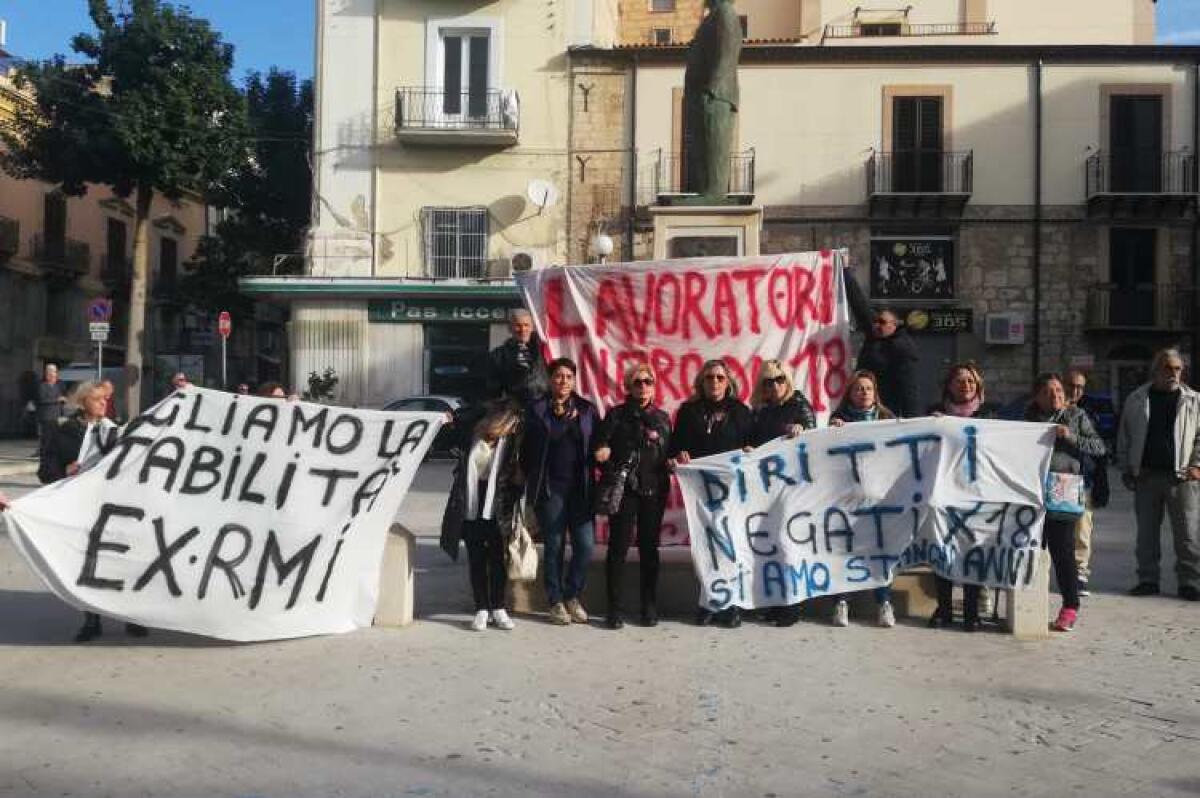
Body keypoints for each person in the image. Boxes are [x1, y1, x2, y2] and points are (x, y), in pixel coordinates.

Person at [39, 381, 149, 643]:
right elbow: (45, 472)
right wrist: (63, 471)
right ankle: (91, 619)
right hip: (80, 509)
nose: (103, 403)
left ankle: (130, 617)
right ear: (82, 403)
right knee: (86, 563)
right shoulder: (62, 431)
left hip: (116, 506)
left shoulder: (116, 431)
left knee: (121, 562)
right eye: (96, 399)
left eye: (104, 399)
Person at [670, 358, 753, 627]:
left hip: (731, 489)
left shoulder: (741, 411)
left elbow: (754, 444)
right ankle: (708, 602)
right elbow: (676, 446)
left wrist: (751, 452)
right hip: (700, 488)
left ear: (728, 382)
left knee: (730, 545)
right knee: (705, 545)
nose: (714, 382)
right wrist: (679, 454)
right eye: (709, 378)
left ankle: (730, 604)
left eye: (719, 377)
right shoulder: (688, 411)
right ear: (701, 383)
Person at [1117, 349, 1200, 601]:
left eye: (1177, 368)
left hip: (1182, 478)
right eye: (1168, 368)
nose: (1173, 373)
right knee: (1146, 535)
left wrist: (1197, 465)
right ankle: (1147, 579)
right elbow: (1125, 436)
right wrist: (1126, 467)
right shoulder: (1137, 399)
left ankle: (1190, 582)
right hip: (1147, 476)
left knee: (1188, 534)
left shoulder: (1193, 400)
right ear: (1156, 371)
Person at [593, 363, 672, 629]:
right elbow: (599, 445)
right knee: (618, 548)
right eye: (637, 382)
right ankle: (614, 609)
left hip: (654, 489)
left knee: (650, 550)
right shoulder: (616, 415)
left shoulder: (663, 417)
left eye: (648, 381)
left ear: (654, 385)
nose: (643, 386)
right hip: (624, 490)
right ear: (628, 386)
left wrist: (673, 462)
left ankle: (648, 606)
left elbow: (669, 452)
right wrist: (603, 452)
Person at [1025, 373, 1106, 631]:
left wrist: (1071, 436)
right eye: (1048, 392)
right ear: (1037, 395)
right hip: (1031, 492)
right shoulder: (1026, 419)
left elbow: (1099, 447)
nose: (1056, 396)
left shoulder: (1076, 417)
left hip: (1064, 490)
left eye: (1059, 391)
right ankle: (1027, 605)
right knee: (1029, 549)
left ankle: (1070, 607)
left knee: (1063, 551)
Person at [522, 358, 599, 625]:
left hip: (581, 488)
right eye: (558, 376)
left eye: (568, 376)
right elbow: (530, 448)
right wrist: (562, 422)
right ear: (550, 380)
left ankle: (572, 595)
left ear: (575, 380)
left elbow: (597, 442)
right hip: (551, 488)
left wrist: (603, 451)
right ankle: (555, 600)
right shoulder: (537, 409)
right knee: (554, 546)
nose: (563, 381)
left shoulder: (587, 410)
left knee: (585, 546)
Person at [927, 362, 999, 631]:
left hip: (979, 492)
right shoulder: (934, 413)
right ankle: (944, 608)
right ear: (949, 385)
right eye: (959, 381)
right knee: (942, 548)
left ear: (977, 385)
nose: (965, 385)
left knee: (974, 550)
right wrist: (931, 426)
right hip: (944, 492)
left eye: (970, 381)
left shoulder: (991, 414)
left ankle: (971, 611)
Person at [440, 401, 523, 631]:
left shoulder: (512, 441)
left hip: (498, 505)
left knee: (498, 559)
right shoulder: (472, 437)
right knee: (476, 559)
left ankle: (498, 607)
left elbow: (522, 472)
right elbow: (446, 443)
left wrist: (514, 495)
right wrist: (447, 425)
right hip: (471, 502)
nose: (512, 427)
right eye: (509, 423)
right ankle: (481, 609)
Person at [749, 359, 816, 627]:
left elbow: (815, 438)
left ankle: (793, 604)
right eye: (768, 381)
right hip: (765, 486)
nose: (775, 385)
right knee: (769, 544)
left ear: (788, 381)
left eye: (779, 380)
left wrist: (803, 430)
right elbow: (753, 442)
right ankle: (775, 603)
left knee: (790, 543)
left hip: (793, 486)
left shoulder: (799, 405)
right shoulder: (760, 410)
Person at [828, 370, 898, 628]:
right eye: (858, 388)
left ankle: (884, 603)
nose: (864, 393)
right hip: (846, 499)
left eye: (868, 388)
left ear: (875, 392)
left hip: (880, 499)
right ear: (850, 393)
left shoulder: (887, 419)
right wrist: (833, 432)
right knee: (843, 549)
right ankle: (841, 602)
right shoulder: (838, 420)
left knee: (881, 551)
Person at [843, 268, 920, 417]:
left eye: (882, 322)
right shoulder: (874, 333)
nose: (876, 325)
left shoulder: (902, 348)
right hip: (862, 405)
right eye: (875, 321)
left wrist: (913, 422)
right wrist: (845, 272)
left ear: (894, 325)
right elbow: (858, 302)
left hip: (886, 410)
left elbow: (909, 389)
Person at [1064, 367, 1110, 597]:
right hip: (1056, 478)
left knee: (1082, 528)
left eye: (1079, 387)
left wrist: (1102, 481)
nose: (1074, 391)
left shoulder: (1090, 414)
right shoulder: (1050, 408)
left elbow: (1099, 448)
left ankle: (1080, 574)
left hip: (1084, 479)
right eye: (1071, 386)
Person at [487, 309, 548, 405]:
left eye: (526, 325)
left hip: (546, 406)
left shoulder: (546, 350)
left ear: (532, 327)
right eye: (518, 326)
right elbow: (494, 387)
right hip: (516, 409)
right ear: (510, 328)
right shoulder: (499, 355)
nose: (523, 329)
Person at [35, 363, 65, 459]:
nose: (53, 376)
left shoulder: (57, 386)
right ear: (47, 375)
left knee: (55, 438)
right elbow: (42, 400)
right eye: (51, 374)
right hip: (46, 417)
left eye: (55, 374)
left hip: (56, 416)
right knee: (46, 438)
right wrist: (57, 400)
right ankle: (43, 455)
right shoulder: (42, 386)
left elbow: (60, 401)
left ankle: (52, 455)